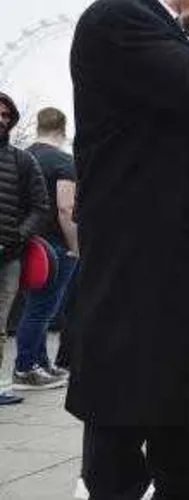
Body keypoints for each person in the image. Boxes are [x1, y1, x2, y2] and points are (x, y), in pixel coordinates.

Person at [67, 0, 189, 498]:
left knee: (173, 385)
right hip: (137, 240)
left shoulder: (172, 38)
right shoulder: (119, 16)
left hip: (176, 238)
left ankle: (186, 490)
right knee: (124, 388)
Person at [12, 108, 77, 392]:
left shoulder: (21, 157)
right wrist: (76, 246)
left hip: (27, 243)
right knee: (42, 310)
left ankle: (40, 362)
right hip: (55, 246)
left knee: (32, 306)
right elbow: (66, 208)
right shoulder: (63, 161)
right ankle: (25, 369)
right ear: (63, 129)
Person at [0, 92, 49, 406]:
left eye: (6, 115)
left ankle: (1, 384)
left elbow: (40, 206)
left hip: (7, 257)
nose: (2, 120)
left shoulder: (22, 160)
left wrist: (18, 236)